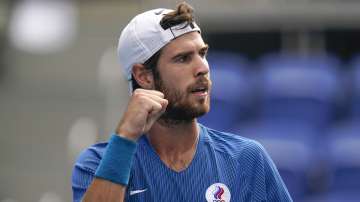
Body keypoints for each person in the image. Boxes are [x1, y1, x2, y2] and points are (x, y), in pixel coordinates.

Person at [72, 2, 292, 202]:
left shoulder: (247, 159)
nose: (203, 68)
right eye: (183, 58)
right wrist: (126, 137)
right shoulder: (96, 164)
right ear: (144, 76)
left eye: (202, 53)